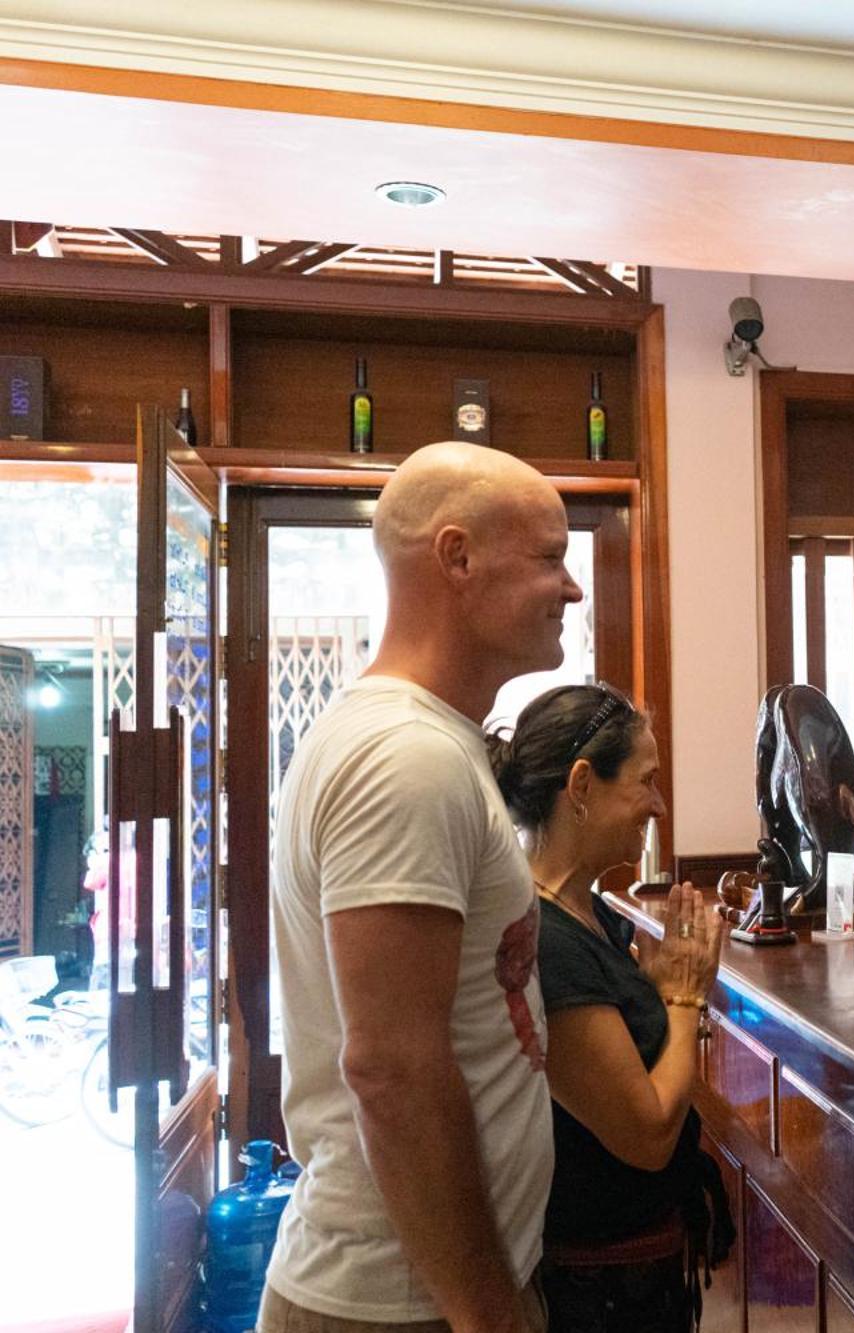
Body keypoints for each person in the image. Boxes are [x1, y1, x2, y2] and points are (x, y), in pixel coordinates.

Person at [264, 442, 583, 1332]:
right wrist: (489, 1312)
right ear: (456, 557)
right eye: (551, 557)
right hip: (404, 1299)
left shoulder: (432, 740)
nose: (574, 587)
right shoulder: (405, 757)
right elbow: (392, 1070)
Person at [486, 683, 732, 1332]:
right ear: (583, 784)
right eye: (646, 781)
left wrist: (652, 987)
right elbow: (646, 1133)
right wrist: (683, 999)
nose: (658, 803)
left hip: (637, 1280)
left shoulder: (584, 910)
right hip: (599, 1295)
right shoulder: (546, 940)